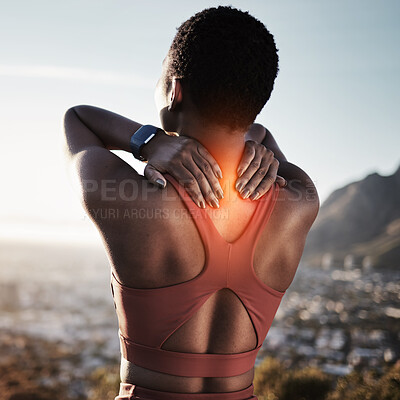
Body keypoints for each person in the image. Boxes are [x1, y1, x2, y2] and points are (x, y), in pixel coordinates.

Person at [63, 5, 319, 400]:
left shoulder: (128, 197)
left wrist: (146, 139)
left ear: (174, 90)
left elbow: (77, 118)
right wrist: (260, 147)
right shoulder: (300, 201)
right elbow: (259, 131)